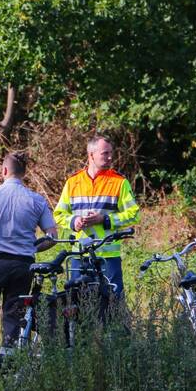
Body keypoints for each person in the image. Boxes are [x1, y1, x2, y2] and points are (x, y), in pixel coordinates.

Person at [0, 152, 57, 360]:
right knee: (14, 315)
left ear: (4, 170)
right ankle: (7, 362)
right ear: (24, 173)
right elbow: (52, 237)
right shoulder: (37, 200)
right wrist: (32, 248)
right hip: (23, 266)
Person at [53, 135, 140, 319]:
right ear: (91, 154)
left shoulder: (119, 182)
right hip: (80, 255)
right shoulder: (73, 182)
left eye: (111, 153)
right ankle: (80, 344)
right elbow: (59, 214)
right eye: (105, 153)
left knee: (113, 306)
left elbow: (133, 213)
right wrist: (74, 222)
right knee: (76, 306)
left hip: (108, 257)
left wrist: (105, 219)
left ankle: (115, 344)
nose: (110, 157)